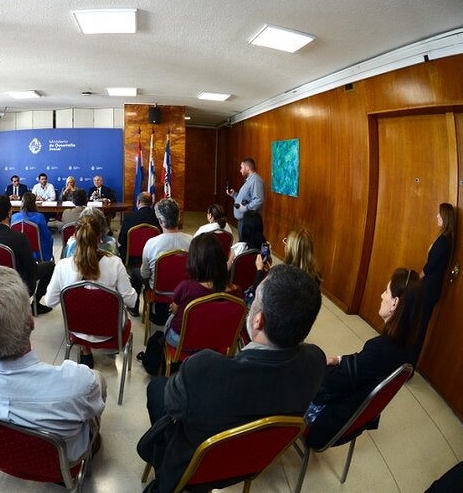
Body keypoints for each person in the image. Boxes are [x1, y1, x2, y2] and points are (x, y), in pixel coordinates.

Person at [138, 265, 327, 492]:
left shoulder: (205, 368)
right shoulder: (316, 362)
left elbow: (172, 406)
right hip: (249, 463)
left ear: (258, 321)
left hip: (193, 467)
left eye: (256, 298)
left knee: (157, 387)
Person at [0, 265, 105, 462]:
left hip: (1, 459)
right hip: (63, 464)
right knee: (97, 389)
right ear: (31, 322)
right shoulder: (79, 384)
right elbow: (96, 400)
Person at [305, 268, 422, 449]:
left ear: (395, 303)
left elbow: (330, 383)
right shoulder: (405, 349)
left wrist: (311, 368)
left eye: (386, 291)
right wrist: (339, 359)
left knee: (292, 378)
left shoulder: (379, 349)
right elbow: (361, 363)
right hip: (355, 419)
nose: (382, 295)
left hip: (328, 423)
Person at [44, 214, 136, 367]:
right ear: (100, 237)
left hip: (76, 329)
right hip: (111, 331)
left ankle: (85, 351)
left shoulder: (63, 266)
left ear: (75, 237)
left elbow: (49, 301)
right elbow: (131, 301)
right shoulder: (115, 263)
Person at [162, 233, 243, 349]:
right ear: (221, 259)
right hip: (218, 342)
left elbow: (175, 310)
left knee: (171, 317)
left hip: (184, 342)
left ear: (194, 260)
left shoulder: (186, 287)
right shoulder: (236, 292)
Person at [0, 195, 54, 314]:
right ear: (9, 212)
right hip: (16, 285)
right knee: (50, 266)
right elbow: (32, 268)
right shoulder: (19, 238)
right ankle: (36, 304)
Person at [129, 198, 192, 321]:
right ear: (178, 218)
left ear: (160, 221)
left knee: (135, 273)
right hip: (185, 289)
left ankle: (134, 308)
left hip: (158, 290)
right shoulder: (192, 241)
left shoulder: (151, 243)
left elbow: (145, 274)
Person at [414, 202, 455, 365]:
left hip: (429, 289)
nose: (437, 216)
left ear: (445, 217)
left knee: (420, 327)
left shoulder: (444, 241)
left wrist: (417, 278)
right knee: (418, 325)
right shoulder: (444, 238)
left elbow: (429, 267)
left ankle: (410, 364)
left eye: (439, 214)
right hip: (430, 288)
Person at [118, 192, 162, 266]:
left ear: (138, 201)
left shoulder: (129, 217)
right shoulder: (158, 219)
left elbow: (121, 240)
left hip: (130, 258)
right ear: (152, 203)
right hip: (152, 257)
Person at [226, 157, 265, 235]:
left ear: (247, 168)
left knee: (245, 244)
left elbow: (259, 200)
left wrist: (246, 208)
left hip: (248, 221)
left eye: (241, 167)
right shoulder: (250, 180)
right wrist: (234, 195)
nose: (240, 170)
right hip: (243, 220)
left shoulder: (256, 180)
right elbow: (246, 199)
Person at [11, 192, 54, 261]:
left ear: (22, 203)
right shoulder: (40, 217)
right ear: (34, 203)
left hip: (18, 252)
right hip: (37, 252)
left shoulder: (14, 217)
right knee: (50, 239)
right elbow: (46, 235)